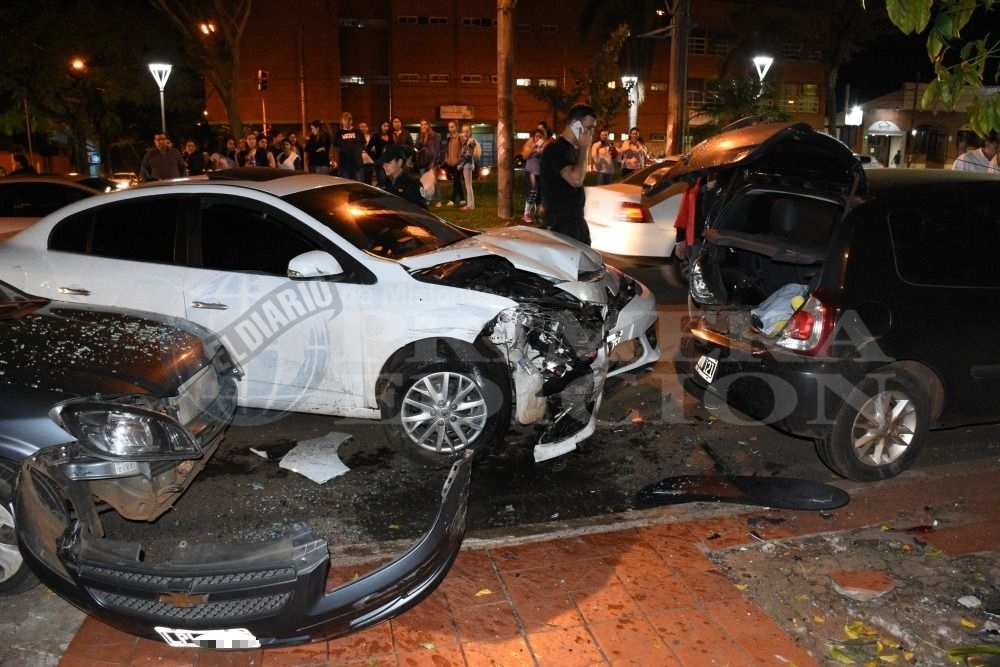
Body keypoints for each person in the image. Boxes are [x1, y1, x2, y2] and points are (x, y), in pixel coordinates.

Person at [539, 104, 597, 244]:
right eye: (588, 128)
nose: (591, 133)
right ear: (575, 124)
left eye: (593, 129)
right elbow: (576, 179)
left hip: (576, 221)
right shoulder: (555, 149)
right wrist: (585, 148)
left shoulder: (573, 150)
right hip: (562, 224)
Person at [380, 144, 433, 209]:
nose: (384, 166)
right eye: (383, 163)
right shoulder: (387, 183)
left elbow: (422, 211)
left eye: (388, 162)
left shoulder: (412, 184)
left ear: (399, 162)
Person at [333, 112, 367, 181]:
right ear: (342, 121)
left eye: (348, 120)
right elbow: (335, 148)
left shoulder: (358, 132)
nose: (346, 122)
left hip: (357, 164)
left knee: (359, 185)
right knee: (346, 187)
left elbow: (364, 144)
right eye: (344, 120)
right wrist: (335, 160)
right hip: (344, 165)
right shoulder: (338, 134)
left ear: (351, 121)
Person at [522, 129, 546, 222]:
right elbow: (524, 156)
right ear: (533, 137)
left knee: (540, 195)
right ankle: (526, 214)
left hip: (541, 173)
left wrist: (542, 152)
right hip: (531, 172)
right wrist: (534, 147)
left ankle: (538, 215)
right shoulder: (529, 145)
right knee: (533, 192)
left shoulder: (545, 147)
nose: (538, 138)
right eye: (537, 136)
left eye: (540, 137)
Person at [442, 120, 464, 206]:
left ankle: (452, 200)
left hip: (458, 163)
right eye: (449, 127)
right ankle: (462, 199)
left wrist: (459, 159)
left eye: (452, 127)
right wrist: (447, 159)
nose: (450, 129)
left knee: (456, 182)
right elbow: (446, 151)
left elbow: (463, 150)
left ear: (456, 127)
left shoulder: (460, 137)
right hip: (450, 163)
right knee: (457, 181)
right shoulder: (449, 139)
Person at [457, 123, 479, 210]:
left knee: (468, 185)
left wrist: (460, 165)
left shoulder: (471, 141)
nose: (465, 133)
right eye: (463, 131)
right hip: (466, 165)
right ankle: (470, 205)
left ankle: (470, 206)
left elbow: (468, 155)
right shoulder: (465, 141)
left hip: (467, 165)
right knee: (468, 185)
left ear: (470, 132)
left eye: (467, 131)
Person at [366, 120, 393, 187]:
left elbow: (393, 147)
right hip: (379, 161)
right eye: (384, 126)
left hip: (389, 161)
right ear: (380, 126)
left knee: (389, 181)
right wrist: (374, 158)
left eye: (387, 126)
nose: (386, 128)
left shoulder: (390, 136)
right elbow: (368, 148)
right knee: (381, 180)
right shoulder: (376, 135)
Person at [357, 120, 375, 184]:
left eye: (365, 126)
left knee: (369, 181)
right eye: (361, 127)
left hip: (369, 162)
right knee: (361, 181)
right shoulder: (356, 138)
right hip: (359, 162)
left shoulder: (371, 137)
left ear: (367, 128)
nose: (363, 128)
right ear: (359, 128)